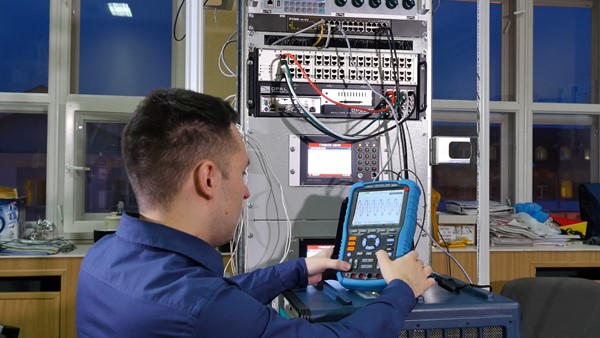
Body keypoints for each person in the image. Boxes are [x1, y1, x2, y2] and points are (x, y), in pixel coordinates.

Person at [76, 88, 435, 337]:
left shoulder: (102, 257)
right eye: (243, 172)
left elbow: (214, 294)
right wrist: (402, 289)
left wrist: (295, 271)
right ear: (208, 179)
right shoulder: (200, 310)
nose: (246, 191)